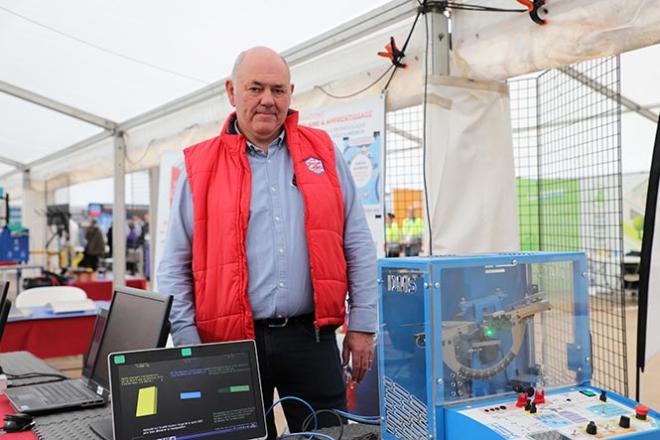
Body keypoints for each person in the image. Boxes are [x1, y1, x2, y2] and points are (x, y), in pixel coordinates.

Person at [157, 47, 377, 438]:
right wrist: (190, 347)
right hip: (227, 346)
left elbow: (357, 242)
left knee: (330, 435)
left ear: (291, 93)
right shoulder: (199, 167)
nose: (267, 101)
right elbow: (174, 264)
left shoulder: (323, 152)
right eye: (255, 88)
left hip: (311, 338)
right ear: (231, 91)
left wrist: (362, 325)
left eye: (277, 90)